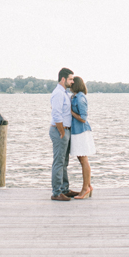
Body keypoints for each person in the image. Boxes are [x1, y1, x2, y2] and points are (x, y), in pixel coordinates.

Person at [49, 67, 80, 201]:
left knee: (64, 162)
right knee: (59, 162)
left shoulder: (65, 93)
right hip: (59, 130)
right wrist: (62, 132)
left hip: (66, 130)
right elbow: (56, 114)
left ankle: (64, 189)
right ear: (63, 79)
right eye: (70, 79)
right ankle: (56, 193)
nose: (72, 82)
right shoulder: (58, 93)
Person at [69, 76, 95, 199]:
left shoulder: (80, 97)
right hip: (76, 131)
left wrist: (71, 112)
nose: (70, 85)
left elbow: (83, 118)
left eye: (72, 83)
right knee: (81, 159)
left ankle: (85, 188)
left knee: (84, 160)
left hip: (81, 132)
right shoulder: (74, 97)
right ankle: (88, 186)